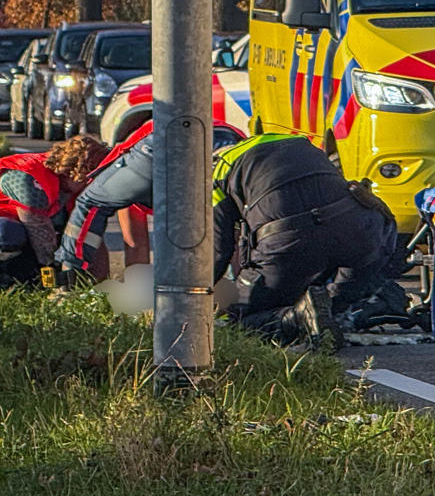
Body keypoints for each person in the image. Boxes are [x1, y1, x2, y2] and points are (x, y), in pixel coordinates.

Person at [62, 126, 396, 344]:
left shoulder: (219, 170)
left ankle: (295, 316)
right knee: (335, 293)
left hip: (289, 244)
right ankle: (352, 306)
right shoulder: (299, 144)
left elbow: (217, 248)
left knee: (241, 322)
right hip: (361, 238)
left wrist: (192, 299)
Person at [0, 135, 107, 285]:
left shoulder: (72, 188)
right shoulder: (29, 180)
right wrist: (54, 283)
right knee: (8, 232)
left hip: (25, 225)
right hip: (9, 226)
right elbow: (42, 241)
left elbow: (90, 234)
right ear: (81, 172)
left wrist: (101, 284)